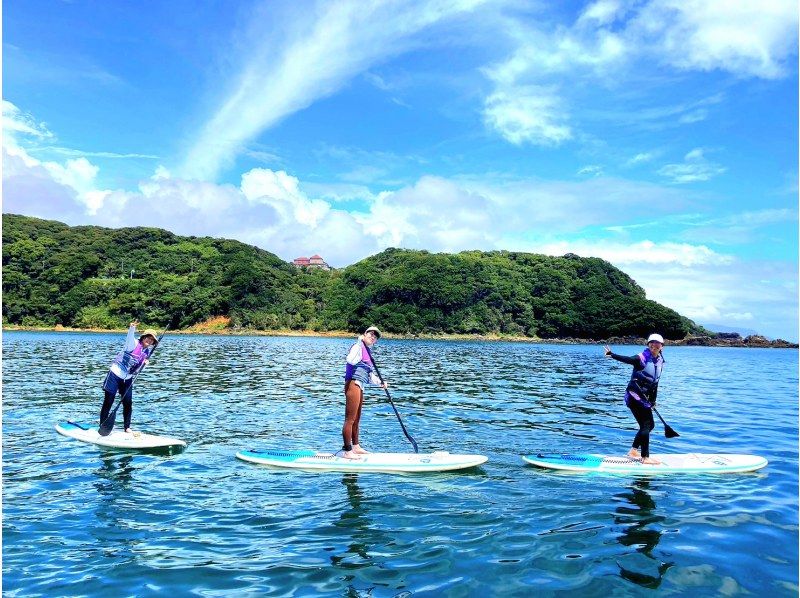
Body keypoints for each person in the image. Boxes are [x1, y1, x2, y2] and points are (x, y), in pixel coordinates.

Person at [603, 334, 666, 465]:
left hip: (644, 399)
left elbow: (655, 383)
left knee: (650, 425)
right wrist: (612, 354)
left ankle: (633, 451)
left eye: (657, 343)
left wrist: (653, 401)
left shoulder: (659, 361)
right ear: (648, 344)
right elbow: (628, 359)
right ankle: (645, 457)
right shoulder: (641, 358)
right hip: (634, 396)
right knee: (646, 425)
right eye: (652, 342)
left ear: (662, 346)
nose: (654, 345)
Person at [100, 321, 158, 433]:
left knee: (127, 402)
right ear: (143, 337)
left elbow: (137, 371)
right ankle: (102, 424)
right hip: (115, 374)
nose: (149, 341)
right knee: (109, 400)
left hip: (127, 379)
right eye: (148, 338)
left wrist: (144, 365)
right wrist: (132, 328)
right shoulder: (133, 344)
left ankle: (127, 427)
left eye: (152, 340)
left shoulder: (146, 353)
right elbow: (129, 337)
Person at [340, 325, 387, 459]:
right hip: (352, 384)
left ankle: (356, 446)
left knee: (357, 419)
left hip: (360, 385)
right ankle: (347, 451)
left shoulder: (367, 351)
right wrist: (359, 344)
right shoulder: (358, 347)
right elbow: (350, 360)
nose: (373, 337)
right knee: (350, 419)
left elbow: (369, 375)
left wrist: (380, 383)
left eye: (375, 336)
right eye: (370, 334)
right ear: (364, 334)